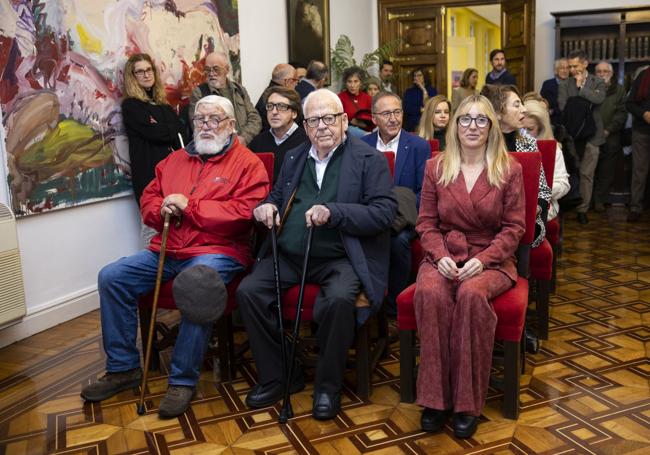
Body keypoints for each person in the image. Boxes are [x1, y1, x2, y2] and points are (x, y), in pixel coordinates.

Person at [80, 95, 270, 418]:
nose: (206, 126)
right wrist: (160, 208)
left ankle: (182, 379)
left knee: (198, 283)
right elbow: (149, 199)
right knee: (112, 277)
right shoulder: (174, 160)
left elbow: (243, 213)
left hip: (218, 251)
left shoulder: (248, 163)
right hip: (167, 249)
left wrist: (189, 206)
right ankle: (124, 368)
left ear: (231, 125)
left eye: (215, 119)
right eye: (200, 120)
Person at [237, 89, 397, 420]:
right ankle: (281, 374)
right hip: (291, 254)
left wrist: (335, 212)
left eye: (328, 118)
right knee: (248, 292)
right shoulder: (294, 157)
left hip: (342, 257)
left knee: (338, 300)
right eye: (313, 120)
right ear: (305, 125)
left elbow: (384, 213)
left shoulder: (369, 159)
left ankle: (327, 386)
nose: (321, 126)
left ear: (343, 120)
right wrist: (266, 207)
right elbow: (277, 195)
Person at [414, 94, 525, 439]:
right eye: (465, 119)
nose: (472, 126)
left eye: (480, 120)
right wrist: (439, 255)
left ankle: (466, 402)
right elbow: (426, 224)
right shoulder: (436, 165)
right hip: (444, 252)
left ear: (491, 126)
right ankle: (435, 399)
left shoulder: (509, 168)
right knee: (430, 291)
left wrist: (482, 260)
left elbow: (514, 229)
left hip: (491, 256)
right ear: (454, 125)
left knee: (472, 296)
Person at [482, 84, 551, 354]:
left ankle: (518, 326)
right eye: (516, 105)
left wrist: (535, 218)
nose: (523, 110)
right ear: (498, 113)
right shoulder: (480, 141)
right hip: (483, 223)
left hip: (520, 224)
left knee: (520, 238)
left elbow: (542, 190)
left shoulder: (527, 142)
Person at [361, 91, 430, 316]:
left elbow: (424, 191)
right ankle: (367, 302)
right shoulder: (361, 145)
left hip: (405, 218)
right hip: (371, 215)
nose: (393, 118)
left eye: (397, 112)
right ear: (374, 118)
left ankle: (395, 305)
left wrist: (395, 214)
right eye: (386, 113)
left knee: (398, 241)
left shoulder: (418, 146)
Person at [121, 54, 185, 214]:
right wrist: (170, 127)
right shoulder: (131, 106)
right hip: (149, 179)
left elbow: (180, 129)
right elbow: (157, 133)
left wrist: (166, 127)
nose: (147, 74)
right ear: (132, 76)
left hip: (174, 177)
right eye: (140, 71)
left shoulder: (163, 105)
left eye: (149, 70)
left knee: (175, 232)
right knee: (152, 231)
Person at [558, 49, 606, 224]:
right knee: (572, 172)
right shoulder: (564, 85)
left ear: (585, 64)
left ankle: (583, 209)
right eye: (569, 66)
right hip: (571, 136)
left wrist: (581, 88)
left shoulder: (598, 82)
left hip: (593, 136)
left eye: (575, 65)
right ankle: (569, 205)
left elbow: (599, 100)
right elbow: (564, 107)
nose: (572, 69)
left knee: (587, 174)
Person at [189, 52, 261, 145]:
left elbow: (255, 118)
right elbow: (197, 125)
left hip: (244, 147)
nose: (211, 73)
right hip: (217, 148)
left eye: (216, 69)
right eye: (207, 69)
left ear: (226, 70)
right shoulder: (200, 93)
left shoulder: (239, 90)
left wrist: (244, 137)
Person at [523, 99, 571, 221]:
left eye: (530, 129)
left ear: (541, 129)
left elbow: (563, 184)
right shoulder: (512, 143)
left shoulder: (553, 149)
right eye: (521, 129)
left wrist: (537, 189)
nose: (524, 134)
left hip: (544, 207)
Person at [249, 86, 308, 182]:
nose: (274, 112)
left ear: (294, 113)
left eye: (281, 107)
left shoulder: (307, 141)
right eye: (270, 106)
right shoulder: (257, 143)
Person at [592, 61, 627, 213]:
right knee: (590, 169)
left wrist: (608, 129)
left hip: (610, 136)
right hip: (591, 136)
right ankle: (588, 200)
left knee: (606, 171)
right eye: (599, 71)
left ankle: (600, 200)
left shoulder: (619, 90)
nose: (602, 74)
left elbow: (622, 113)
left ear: (611, 74)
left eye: (605, 71)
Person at [625, 65, 650, 222]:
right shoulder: (643, 76)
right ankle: (635, 207)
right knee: (639, 171)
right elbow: (630, 103)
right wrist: (644, 113)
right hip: (642, 131)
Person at [254, 64, 299, 131]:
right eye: (295, 80)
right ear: (288, 81)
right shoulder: (283, 97)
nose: (297, 84)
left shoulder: (267, 94)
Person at [338, 66, 374, 134]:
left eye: (356, 81)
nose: (352, 85)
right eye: (349, 81)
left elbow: (374, 120)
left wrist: (360, 124)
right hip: (348, 135)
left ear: (361, 82)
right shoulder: (340, 98)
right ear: (345, 83)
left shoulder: (368, 98)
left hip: (368, 134)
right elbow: (338, 121)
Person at [403, 67, 437, 132]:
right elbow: (406, 108)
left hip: (427, 124)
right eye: (415, 76)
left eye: (419, 75)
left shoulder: (432, 91)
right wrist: (421, 109)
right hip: (411, 125)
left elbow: (431, 106)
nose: (416, 78)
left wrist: (424, 90)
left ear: (425, 76)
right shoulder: (409, 91)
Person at [540, 58, 569, 128]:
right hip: (552, 123)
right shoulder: (547, 84)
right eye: (562, 68)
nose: (565, 71)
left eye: (567, 68)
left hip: (569, 123)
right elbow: (543, 103)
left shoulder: (573, 84)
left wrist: (554, 110)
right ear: (556, 70)